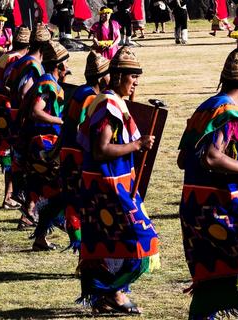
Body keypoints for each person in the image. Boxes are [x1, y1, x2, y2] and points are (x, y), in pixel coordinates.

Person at [177, 48, 238, 320]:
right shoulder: (228, 115)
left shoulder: (205, 108)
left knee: (216, 268)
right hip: (218, 209)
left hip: (195, 209)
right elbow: (211, 157)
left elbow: (183, 160)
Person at [76, 46, 160, 314]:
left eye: (138, 76)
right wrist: (137, 145)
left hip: (111, 184)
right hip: (105, 186)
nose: (136, 81)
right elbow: (100, 150)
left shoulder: (111, 101)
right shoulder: (107, 104)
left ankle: (109, 296)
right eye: (132, 76)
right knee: (142, 241)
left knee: (110, 243)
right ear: (118, 75)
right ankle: (109, 291)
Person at [20, 40, 69, 251]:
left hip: (43, 143)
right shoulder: (47, 84)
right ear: (59, 66)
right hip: (42, 144)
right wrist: (60, 121)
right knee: (58, 191)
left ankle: (39, 238)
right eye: (66, 65)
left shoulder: (48, 81)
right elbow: (36, 111)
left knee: (43, 189)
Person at [59, 51, 110, 252]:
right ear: (100, 78)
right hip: (79, 156)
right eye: (108, 74)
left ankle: (81, 250)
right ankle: (83, 251)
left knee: (71, 202)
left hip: (67, 153)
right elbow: (84, 130)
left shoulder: (81, 91)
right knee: (82, 204)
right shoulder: (90, 98)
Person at [5, 22, 50, 229]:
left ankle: (28, 213)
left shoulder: (19, 61)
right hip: (27, 123)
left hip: (17, 119)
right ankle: (29, 213)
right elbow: (26, 93)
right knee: (35, 168)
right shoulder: (32, 65)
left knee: (28, 168)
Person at [0, 26, 30, 209]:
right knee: (12, 152)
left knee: (9, 153)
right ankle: (9, 197)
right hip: (7, 110)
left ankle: (10, 196)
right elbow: (9, 86)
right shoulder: (18, 60)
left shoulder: (4, 56)